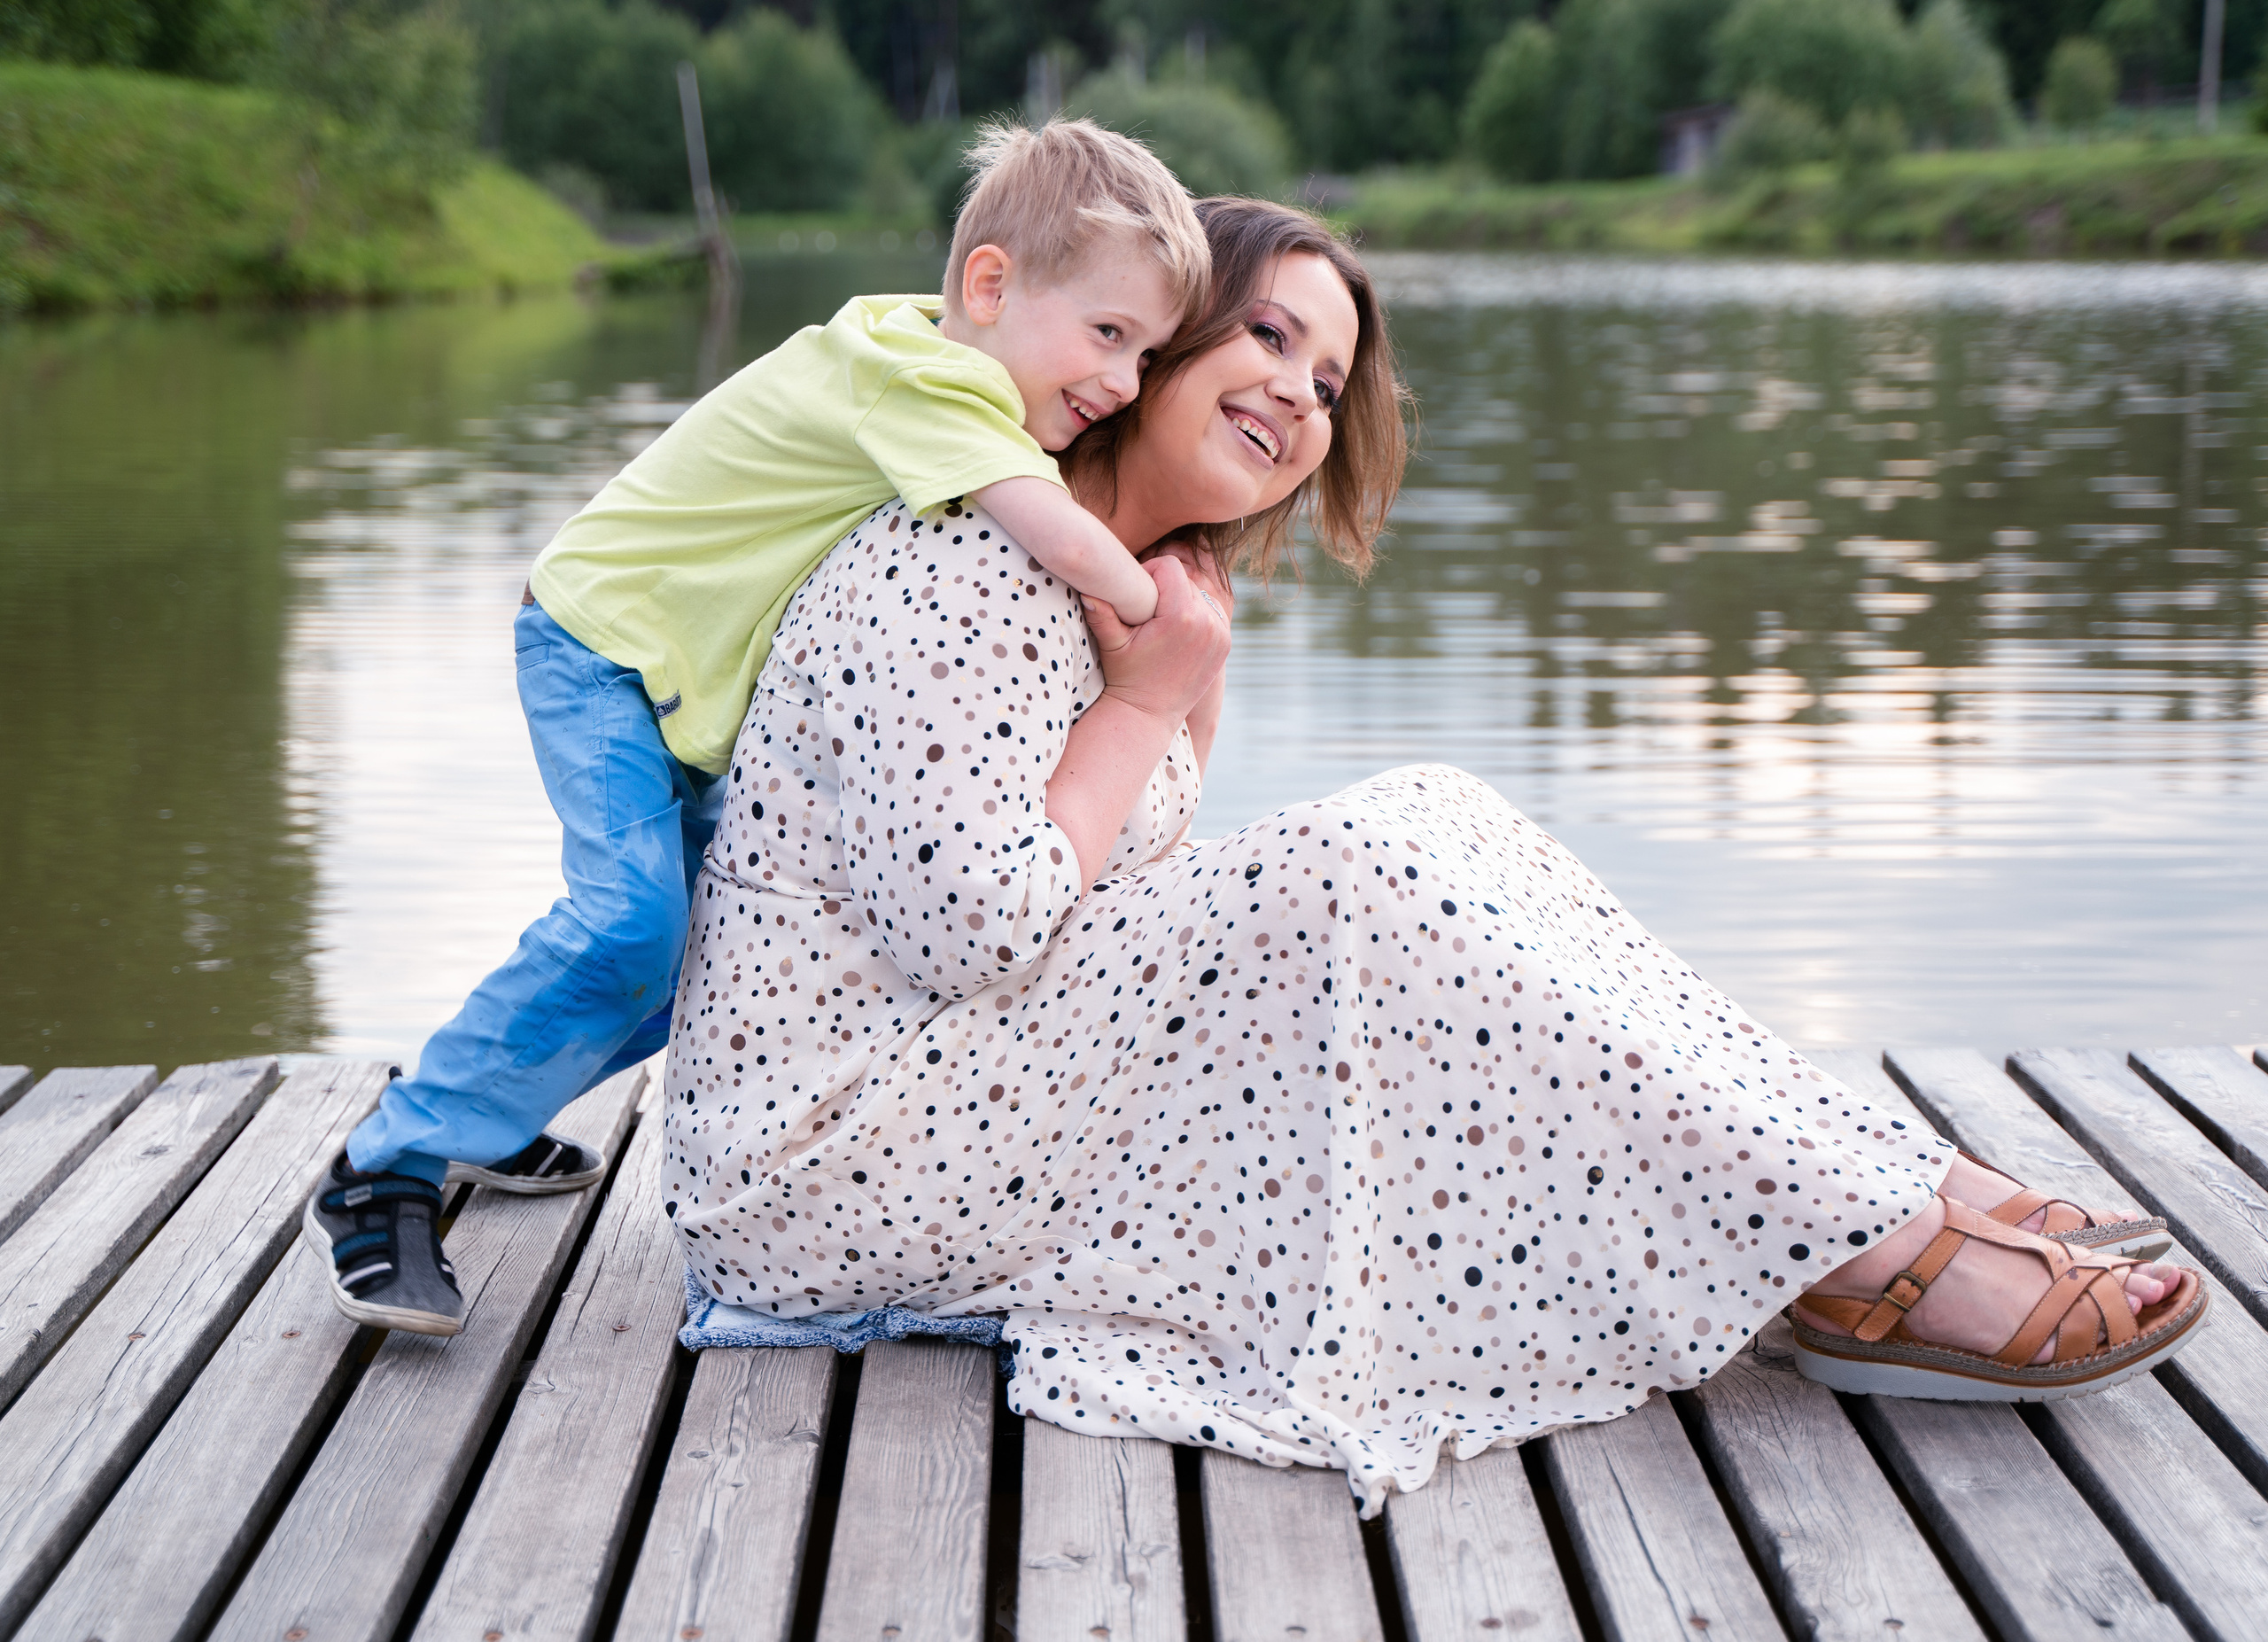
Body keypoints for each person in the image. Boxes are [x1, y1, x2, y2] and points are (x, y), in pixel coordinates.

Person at [666, 197, 2206, 1511]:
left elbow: (1120, 925)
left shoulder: (1154, 592)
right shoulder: (951, 560)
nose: (1299, 395)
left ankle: (1884, 1194)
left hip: (970, 1097)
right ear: (1150, 342)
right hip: (819, 1171)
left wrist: (1166, 692)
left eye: (1329, 379)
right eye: (1267, 337)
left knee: (1440, 827)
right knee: (1367, 859)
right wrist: (1148, 703)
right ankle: (1860, 1239)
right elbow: (978, 937)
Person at [302, 119, 1211, 1337]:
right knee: (633, 921)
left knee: (702, 947)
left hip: (660, 673)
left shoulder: (924, 351)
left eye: (1149, 353)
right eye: (1109, 335)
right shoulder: (936, 380)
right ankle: (383, 1169)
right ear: (988, 284)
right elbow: (1052, 530)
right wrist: (1168, 624)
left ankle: (474, 1103)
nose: (1124, 382)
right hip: (602, 644)